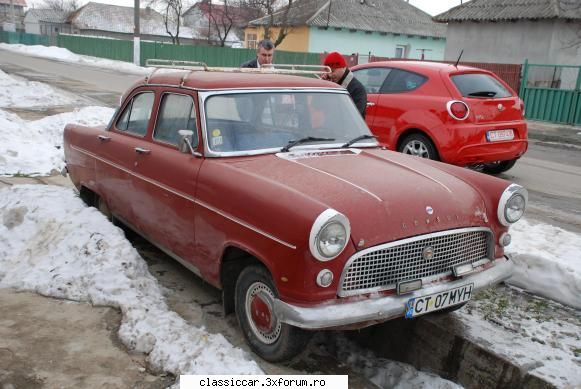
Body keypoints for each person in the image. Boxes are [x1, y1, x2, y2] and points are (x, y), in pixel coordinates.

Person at [322, 51, 367, 118]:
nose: (330, 75)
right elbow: (317, 107)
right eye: (327, 72)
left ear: (343, 67)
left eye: (333, 71)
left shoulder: (357, 89)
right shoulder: (331, 83)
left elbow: (354, 117)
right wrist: (323, 86)